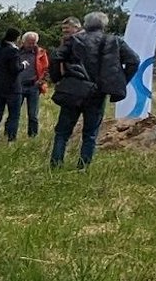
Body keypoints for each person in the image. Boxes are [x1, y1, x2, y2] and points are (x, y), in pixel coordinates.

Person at [50, 11, 139, 170]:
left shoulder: (74, 40)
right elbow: (134, 60)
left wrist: (58, 78)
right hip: (98, 92)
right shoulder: (114, 41)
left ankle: (56, 165)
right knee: (90, 134)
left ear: (85, 25)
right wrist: (120, 81)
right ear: (104, 25)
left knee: (62, 132)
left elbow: (56, 56)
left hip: (74, 89)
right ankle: (82, 168)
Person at [0, 28, 25, 142]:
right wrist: (23, 65)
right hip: (12, 87)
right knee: (14, 115)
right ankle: (11, 137)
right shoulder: (13, 51)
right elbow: (15, 69)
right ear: (17, 38)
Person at [21, 30, 49, 138]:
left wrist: (40, 82)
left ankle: (32, 136)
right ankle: (10, 135)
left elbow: (46, 69)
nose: (31, 45)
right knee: (14, 113)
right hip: (19, 85)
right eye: (29, 42)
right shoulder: (17, 52)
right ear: (23, 41)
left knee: (33, 114)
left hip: (34, 86)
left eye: (33, 42)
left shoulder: (41, 53)